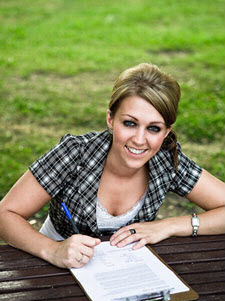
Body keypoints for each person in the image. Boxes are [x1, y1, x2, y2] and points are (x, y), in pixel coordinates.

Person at [0, 63, 224, 269]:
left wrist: (169, 226)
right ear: (110, 119)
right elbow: (5, 213)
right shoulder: (75, 153)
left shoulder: (166, 160)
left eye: (153, 128)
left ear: (166, 131)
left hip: (125, 272)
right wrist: (53, 250)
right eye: (130, 123)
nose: (139, 139)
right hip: (54, 266)